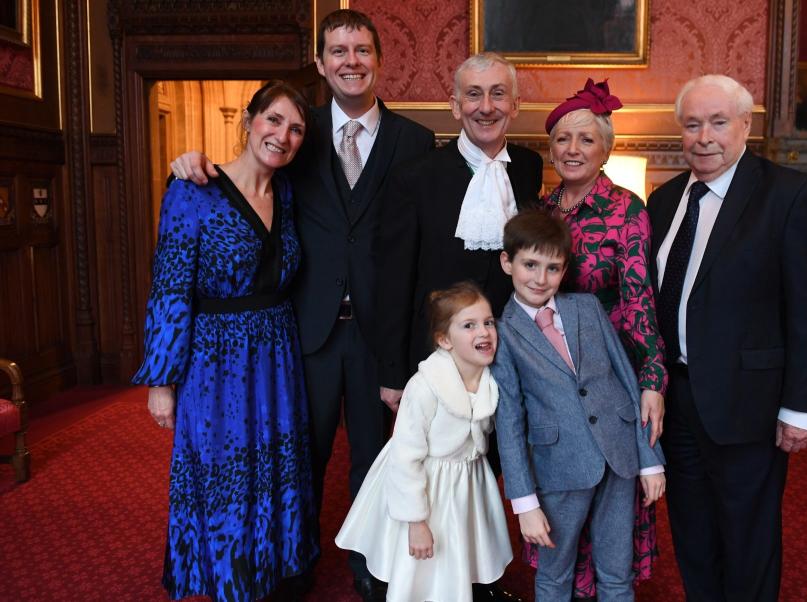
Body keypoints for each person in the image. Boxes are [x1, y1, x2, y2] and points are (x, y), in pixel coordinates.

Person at [169, 10, 435, 600]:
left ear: (379, 60)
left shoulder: (415, 142)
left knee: (376, 459)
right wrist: (192, 162)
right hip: (299, 335)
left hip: (377, 337)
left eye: (362, 50)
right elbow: (248, 175)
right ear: (321, 62)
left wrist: (409, 353)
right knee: (298, 460)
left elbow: (419, 250)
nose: (351, 61)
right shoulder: (299, 130)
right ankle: (296, 560)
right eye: (337, 51)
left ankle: (373, 566)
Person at [646, 74, 807, 600]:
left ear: (745, 126)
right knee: (693, 535)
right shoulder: (663, 202)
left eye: (718, 122)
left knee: (748, 541)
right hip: (678, 403)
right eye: (692, 124)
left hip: (750, 406)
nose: (703, 137)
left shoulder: (789, 195)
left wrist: (800, 408)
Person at [134, 81, 318, 601]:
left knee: (276, 465)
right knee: (225, 473)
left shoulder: (285, 192)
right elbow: (170, 287)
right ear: (248, 119)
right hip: (217, 360)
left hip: (277, 354)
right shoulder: (193, 190)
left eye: (296, 129)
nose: (283, 136)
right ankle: (230, 580)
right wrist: (161, 380)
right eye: (274, 120)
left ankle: (270, 571)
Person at [526, 78, 668, 601]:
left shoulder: (626, 210)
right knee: (561, 497)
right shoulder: (540, 210)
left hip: (608, 375)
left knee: (610, 504)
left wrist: (652, 379)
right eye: (562, 139)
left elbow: (639, 302)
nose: (573, 150)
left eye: (586, 139)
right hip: (551, 376)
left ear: (605, 147)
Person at [493, 211, 666, 601]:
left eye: (552, 268)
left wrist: (650, 458)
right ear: (508, 263)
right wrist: (524, 504)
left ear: (565, 269)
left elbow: (625, 379)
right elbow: (509, 422)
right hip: (559, 469)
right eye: (530, 265)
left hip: (619, 459)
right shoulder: (503, 334)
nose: (540, 278)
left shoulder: (586, 307)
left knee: (617, 573)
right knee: (555, 574)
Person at [376, 51, 543, 405]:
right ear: (455, 106)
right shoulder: (415, 177)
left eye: (498, 94)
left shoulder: (529, 167)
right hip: (437, 357)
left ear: (515, 105)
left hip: (512, 355)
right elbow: (395, 283)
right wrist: (393, 373)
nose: (486, 107)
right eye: (473, 94)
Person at [336, 282, 513, 601]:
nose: (484, 332)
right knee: (420, 573)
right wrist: (416, 522)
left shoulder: (489, 379)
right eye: (469, 325)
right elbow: (405, 458)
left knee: (454, 566)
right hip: (425, 489)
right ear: (444, 340)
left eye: (488, 322)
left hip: (464, 487)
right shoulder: (425, 386)